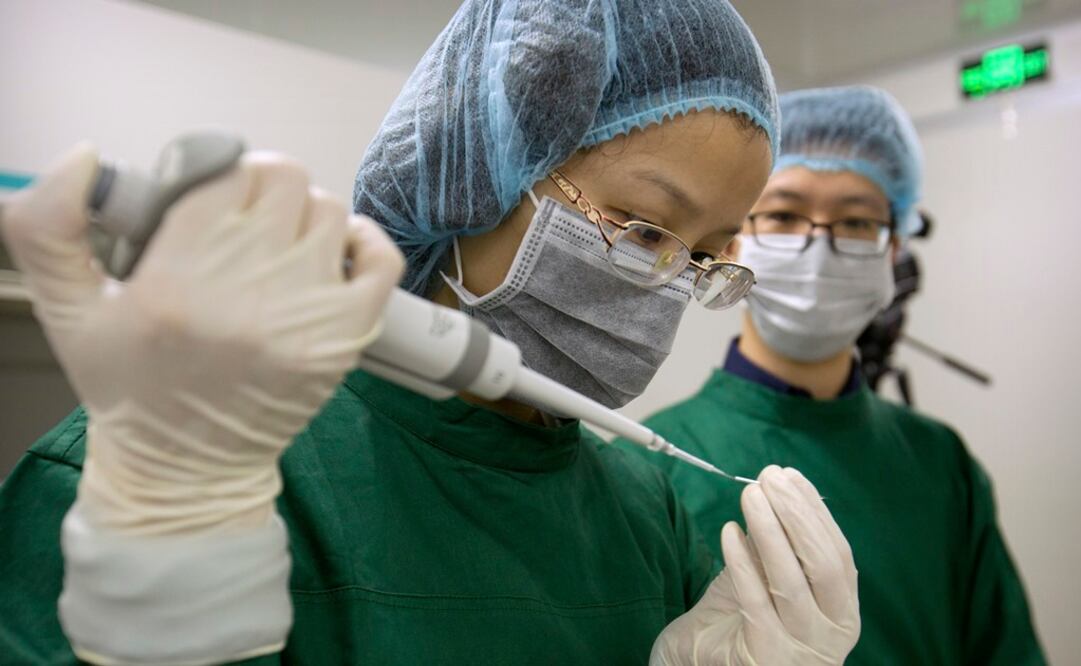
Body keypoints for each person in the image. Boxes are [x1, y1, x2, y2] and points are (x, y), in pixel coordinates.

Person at [0, 2, 861, 664]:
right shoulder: (182, 466)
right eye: (642, 231)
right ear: (483, 169)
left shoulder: (643, 507)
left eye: (705, 258)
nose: (666, 288)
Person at [619, 85, 1047, 665]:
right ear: (736, 238)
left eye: (856, 221)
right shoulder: (653, 467)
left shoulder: (940, 463)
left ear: (895, 248)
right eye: (785, 214)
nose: (817, 244)